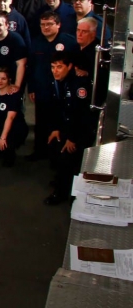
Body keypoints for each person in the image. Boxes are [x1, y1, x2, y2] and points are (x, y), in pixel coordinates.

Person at [26, 11, 78, 162]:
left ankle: (57, 153)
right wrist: (32, 88)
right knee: (41, 122)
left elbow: (74, 64)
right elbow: (31, 67)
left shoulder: (69, 42)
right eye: (43, 24)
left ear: (58, 25)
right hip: (42, 88)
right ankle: (39, 151)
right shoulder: (36, 42)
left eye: (49, 24)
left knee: (60, 120)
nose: (45, 27)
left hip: (62, 90)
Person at [44, 53, 95, 205]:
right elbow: (61, 108)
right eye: (53, 67)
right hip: (68, 125)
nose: (55, 71)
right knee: (58, 155)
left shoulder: (78, 85)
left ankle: (63, 193)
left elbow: (81, 115)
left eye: (59, 67)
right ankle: (62, 182)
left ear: (70, 66)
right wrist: (56, 128)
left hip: (80, 132)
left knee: (69, 160)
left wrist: (72, 139)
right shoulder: (62, 81)